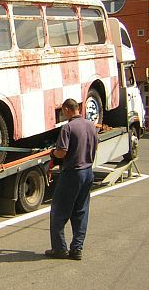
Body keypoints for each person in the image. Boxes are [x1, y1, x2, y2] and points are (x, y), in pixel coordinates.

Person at [45, 98, 98, 260]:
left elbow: (61, 152)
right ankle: (77, 249)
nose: (63, 115)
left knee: (59, 211)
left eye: (63, 112)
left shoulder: (68, 128)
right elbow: (97, 145)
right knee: (81, 211)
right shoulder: (91, 125)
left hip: (72, 173)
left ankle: (60, 249)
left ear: (68, 109)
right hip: (88, 171)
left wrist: (52, 153)